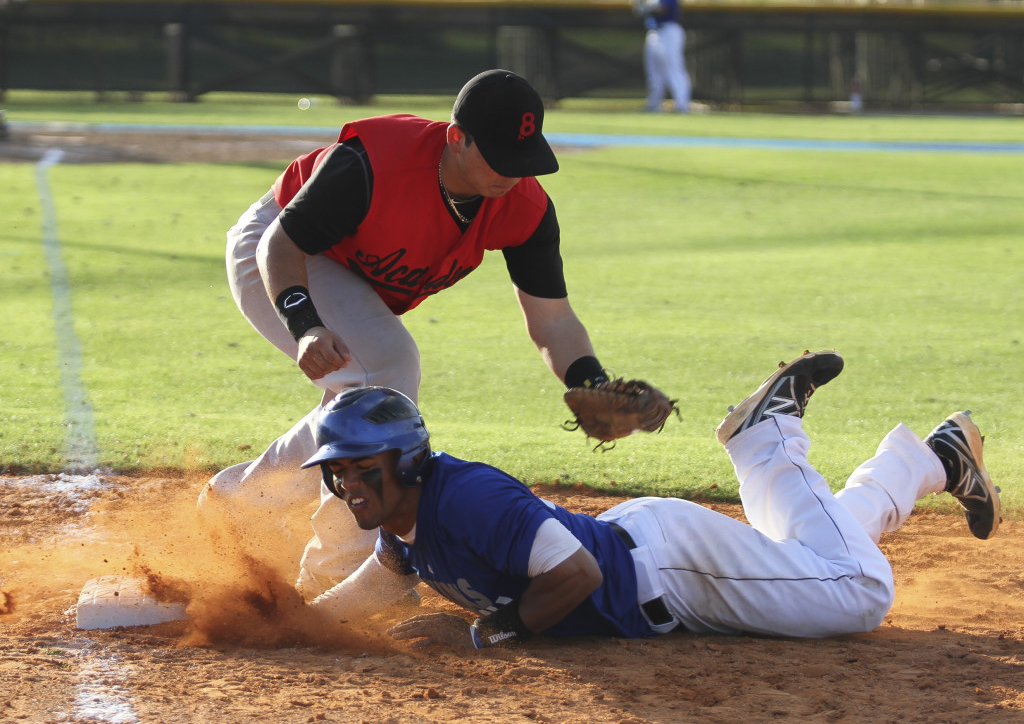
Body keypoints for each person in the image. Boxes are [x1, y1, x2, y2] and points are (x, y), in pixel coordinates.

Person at [199, 69, 618, 599]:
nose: (514, 174)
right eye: (499, 156)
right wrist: (305, 326)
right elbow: (280, 246)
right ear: (456, 138)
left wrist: (593, 382)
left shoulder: (525, 208)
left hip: (338, 271)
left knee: (371, 385)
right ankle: (335, 567)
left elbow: (552, 319)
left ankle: (244, 501)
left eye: (525, 158)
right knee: (386, 371)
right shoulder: (374, 165)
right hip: (281, 251)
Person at [303, 350, 1001, 647]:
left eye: (363, 464)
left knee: (857, 589)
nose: (349, 482)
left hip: (669, 570)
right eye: (338, 470)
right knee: (817, 555)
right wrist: (282, 621)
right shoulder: (406, 522)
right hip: (654, 553)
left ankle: (766, 440)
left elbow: (578, 574)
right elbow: (376, 588)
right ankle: (929, 460)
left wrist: (486, 631)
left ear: (407, 459)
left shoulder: (470, 500)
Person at [638, 0, 691, 113]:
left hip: (669, 30)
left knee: (673, 66)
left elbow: (664, 9)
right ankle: (654, 103)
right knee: (654, 70)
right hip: (655, 32)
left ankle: (682, 103)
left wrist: (648, 8)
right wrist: (644, 8)